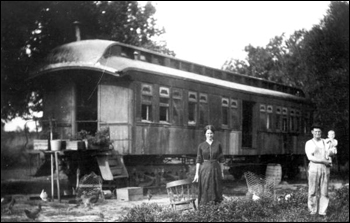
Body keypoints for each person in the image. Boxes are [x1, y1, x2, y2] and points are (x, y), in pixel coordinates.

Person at [193, 125, 225, 205]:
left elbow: (221, 159)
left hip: (215, 169)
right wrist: (196, 174)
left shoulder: (218, 144)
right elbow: (198, 160)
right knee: (205, 187)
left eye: (211, 133)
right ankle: (205, 209)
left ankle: (216, 209)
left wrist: (222, 172)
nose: (209, 135)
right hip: (205, 169)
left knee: (216, 188)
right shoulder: (201, 145)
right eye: (208, 133)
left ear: (213, 134)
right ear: (205, 134)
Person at [305, 123, 332, 216]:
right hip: (314, 167)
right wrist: (323, 161)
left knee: (324, 191)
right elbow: (310, 157)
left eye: (319, 132)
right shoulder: (309, 143)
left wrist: (329, 158)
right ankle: (312, 211)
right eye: (315, 131)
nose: (317, 133)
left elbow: (329, 154)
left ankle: (322, 211)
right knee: (312, 190)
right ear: (312, 132)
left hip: (325, 168)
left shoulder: (325, 142)